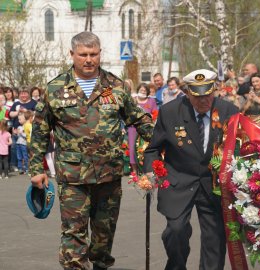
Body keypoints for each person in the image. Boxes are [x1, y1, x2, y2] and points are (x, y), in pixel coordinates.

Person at [29, 31, 154, 270]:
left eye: (93, 54)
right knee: (73, 234)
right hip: (73, 177)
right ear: (72, 54)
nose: (89, 59)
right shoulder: (54, 89)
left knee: (103, 236)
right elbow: (40, 133)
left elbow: (139, 120)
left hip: (109, 175)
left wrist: (162, 145)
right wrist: (37, 170)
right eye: (83, 54)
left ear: (100, 54)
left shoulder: (115, 86)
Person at [144, 69, 238, 270]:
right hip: (179, 180)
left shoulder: (228, 111)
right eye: (197, 96)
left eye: (208, 95)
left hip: (213, 186)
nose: (204, 101)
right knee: (175, 232)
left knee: (214, 239)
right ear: (187, 93)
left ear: (214, 91)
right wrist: (151, 172)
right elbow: (153, 149)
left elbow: (237, 148)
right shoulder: (170, 112)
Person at [9, 86, 37, 172]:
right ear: (19, 94)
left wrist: (26, 111)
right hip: (16, 130)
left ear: (28, 94)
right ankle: (14, 165)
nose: (23, 95)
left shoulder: (33, 103)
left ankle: (30, 166)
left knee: (28, 150)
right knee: (15, 149)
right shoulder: (16, 103)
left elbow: (36, 114)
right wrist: (17, 112)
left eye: (25, 93)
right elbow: (10, 114)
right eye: (21, 93)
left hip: (28, 132)